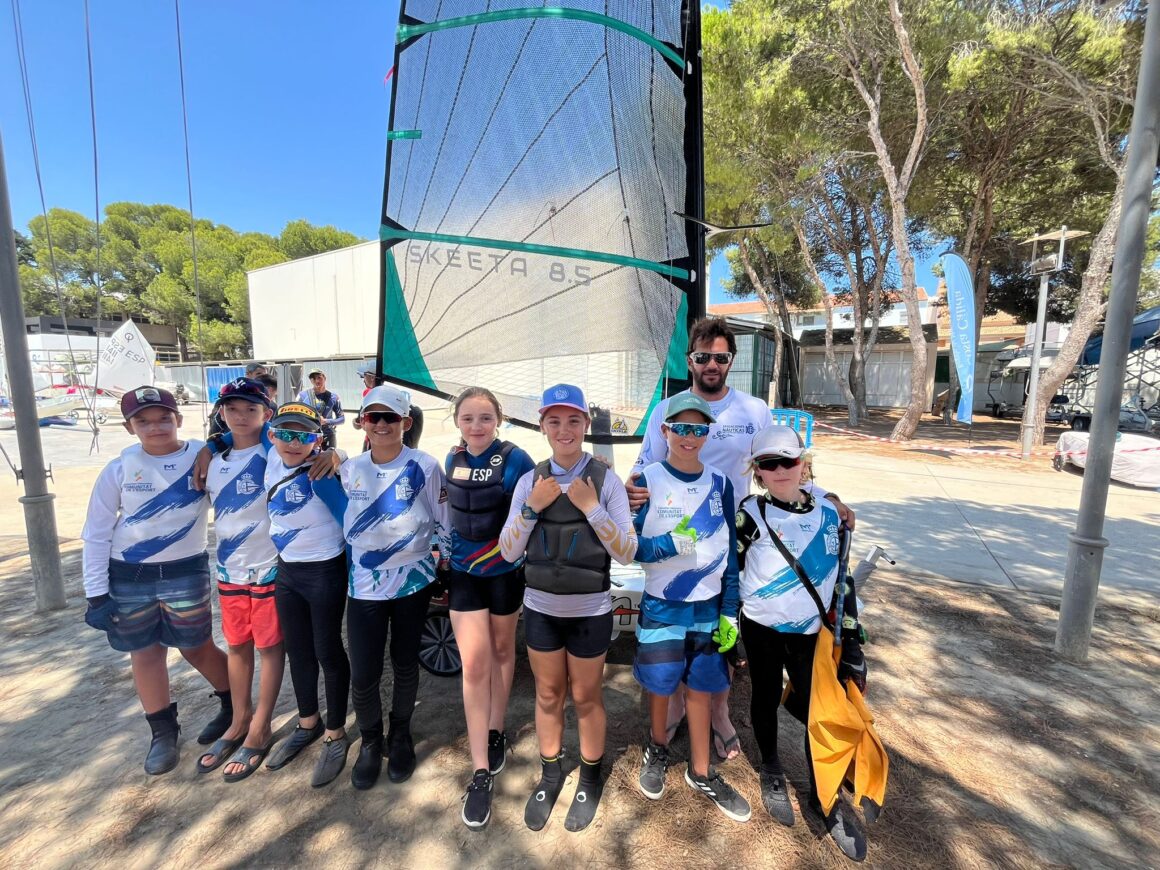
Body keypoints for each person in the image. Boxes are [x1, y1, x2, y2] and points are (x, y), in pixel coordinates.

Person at [627, 316, 855, 760]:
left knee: (720, 635)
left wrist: (829, 497)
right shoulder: (667, 409)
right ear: (690, 359)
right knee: (679, 631)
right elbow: (641, 471)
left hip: (739, 538)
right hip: (678, 542)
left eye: (720, 357)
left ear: (732, 360)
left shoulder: (753, 411)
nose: (711, 364)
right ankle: (674, 707)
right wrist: (630, 492)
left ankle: (718, 715)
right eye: (702, 357)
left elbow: (782, 466)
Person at [499, 384, 637, 833]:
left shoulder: (605, 479)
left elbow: (627, 552)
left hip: (590, 611)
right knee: (546, 694)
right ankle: (552, 772)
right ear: (542, 426)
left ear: (584, 424)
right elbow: (507, 551)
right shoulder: (529, 481)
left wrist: (592, 508)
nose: (564, 429)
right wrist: (532, 509)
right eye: (554, 421)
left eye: (573, 420)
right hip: (540, 609)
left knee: (585, 696)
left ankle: (590, 776)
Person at [81, 386, 232, 775]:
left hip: (185, 569)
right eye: (143, 420)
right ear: (130, 427)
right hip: (129, 575)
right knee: (145, 652)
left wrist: (219, 442)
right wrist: (96, 593)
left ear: (178, 419)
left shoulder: (204, 458)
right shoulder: (118, 469)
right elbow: (97, 532)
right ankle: (162, 732)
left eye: (164, 417)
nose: (155, 427)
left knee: (196, 646)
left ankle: (233, 705)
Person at [735, 425, 868, 861]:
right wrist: (726, 629)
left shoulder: (832, 515)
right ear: (757, 471)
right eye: (767, 464)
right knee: (766, 695)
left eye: (787, 461)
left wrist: (852, 642)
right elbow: (729, 570)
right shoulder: (749, 514)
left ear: (803, 464)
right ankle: (771, 767)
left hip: (812, 634)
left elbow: (842, 582)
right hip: (762, 627)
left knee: (820, 710)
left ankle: (823, 793)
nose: (779, 471)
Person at [631, 393, 750, 823]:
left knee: (703, 689)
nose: (689, 436)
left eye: (699, 429)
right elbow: (630, 549)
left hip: (708, 608)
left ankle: (701, 771)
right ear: (664, 431)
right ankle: (657, 748)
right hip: (664, 606)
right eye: (680, 428)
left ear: (708, 434)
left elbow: (731, 555)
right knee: (662, 687)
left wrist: (729, 610)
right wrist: (667, 545)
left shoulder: (721, 483)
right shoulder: (646, 479)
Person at [342, 384, 449, 790]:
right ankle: (370, 741)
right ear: (362, 423)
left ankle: (400, 733)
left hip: (413, 580)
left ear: (405, 422)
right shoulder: (348, 468)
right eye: (374, 417)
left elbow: (444, 520)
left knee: (405, 662)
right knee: (365, 670)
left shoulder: (424, 465)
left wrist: (446, 566)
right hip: (364, 585)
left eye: (391, 418)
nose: (382, 424)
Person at [444, 387, 536, 828]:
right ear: (458, 421)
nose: (476, 425)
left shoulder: (516, 459)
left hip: (504, 574)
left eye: (485, 417)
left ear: (498, 419)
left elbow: (538, 503)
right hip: (464, 575)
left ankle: (496, 729)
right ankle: (479, 770)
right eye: (468, 418)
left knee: (503, 654)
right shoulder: (451, 458)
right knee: (474, 664)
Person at [196, 378, 286, 782]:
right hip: (229, 568)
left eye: (251, 408)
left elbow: (303, 445)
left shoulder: (274, 454)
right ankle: (239, 718)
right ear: (221, 412)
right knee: (237, 645)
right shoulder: (212, 460)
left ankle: (261, 723)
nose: (241, 415)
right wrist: (211, 445)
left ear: (266, 413)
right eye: (233, 408)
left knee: (269, 647)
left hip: (268, 565)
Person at [262, 401, 353, 787]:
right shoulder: (271, 459)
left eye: (303, 435)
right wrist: (213, 446)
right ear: (272, 436)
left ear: (318, 438)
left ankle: (335, 733)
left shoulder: (324, 472)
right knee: (297, 651)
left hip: (324, 572)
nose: (293, 443)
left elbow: (351, 521)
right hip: (287, 572)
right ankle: (307, 723)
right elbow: (233, 435)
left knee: (327, 650)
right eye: (285, 433)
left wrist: (338, 454)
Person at [297, 369, 345, 449]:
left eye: (319, 377)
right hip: (309, 434)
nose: (316, 381)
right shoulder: (302, 396)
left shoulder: (333, 397)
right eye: (313, 379)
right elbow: (296, 416)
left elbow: (342, 419)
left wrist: (326, 421)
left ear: (324, 378)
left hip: (327, 436)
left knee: (329, 460)